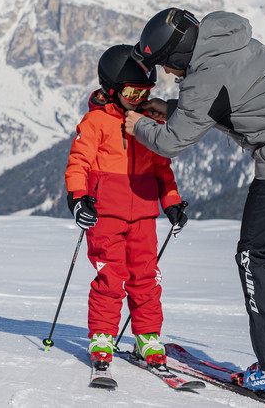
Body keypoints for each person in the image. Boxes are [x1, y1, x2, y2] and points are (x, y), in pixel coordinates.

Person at [124, 8, 265, 403]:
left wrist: (137, 125)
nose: (170, 75)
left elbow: (171, 143)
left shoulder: (201, 78)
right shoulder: (234, 41)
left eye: (166, 65)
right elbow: (226, 98)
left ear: (178, 57)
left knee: (255, 257)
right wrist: (171, 109)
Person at [64, 44, 188, 376]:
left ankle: (146, 336)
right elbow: (78, 164)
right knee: (112, 276)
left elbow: (163, 170)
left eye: (146, 91)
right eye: (133, 91)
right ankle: (103, 334)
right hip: (106, 216)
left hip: (144, 215)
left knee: (146, 278)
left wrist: (172, 203)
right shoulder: (95, 122)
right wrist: (79, 199)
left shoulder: (150, 122)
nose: (139, 98)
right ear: (113, 89)